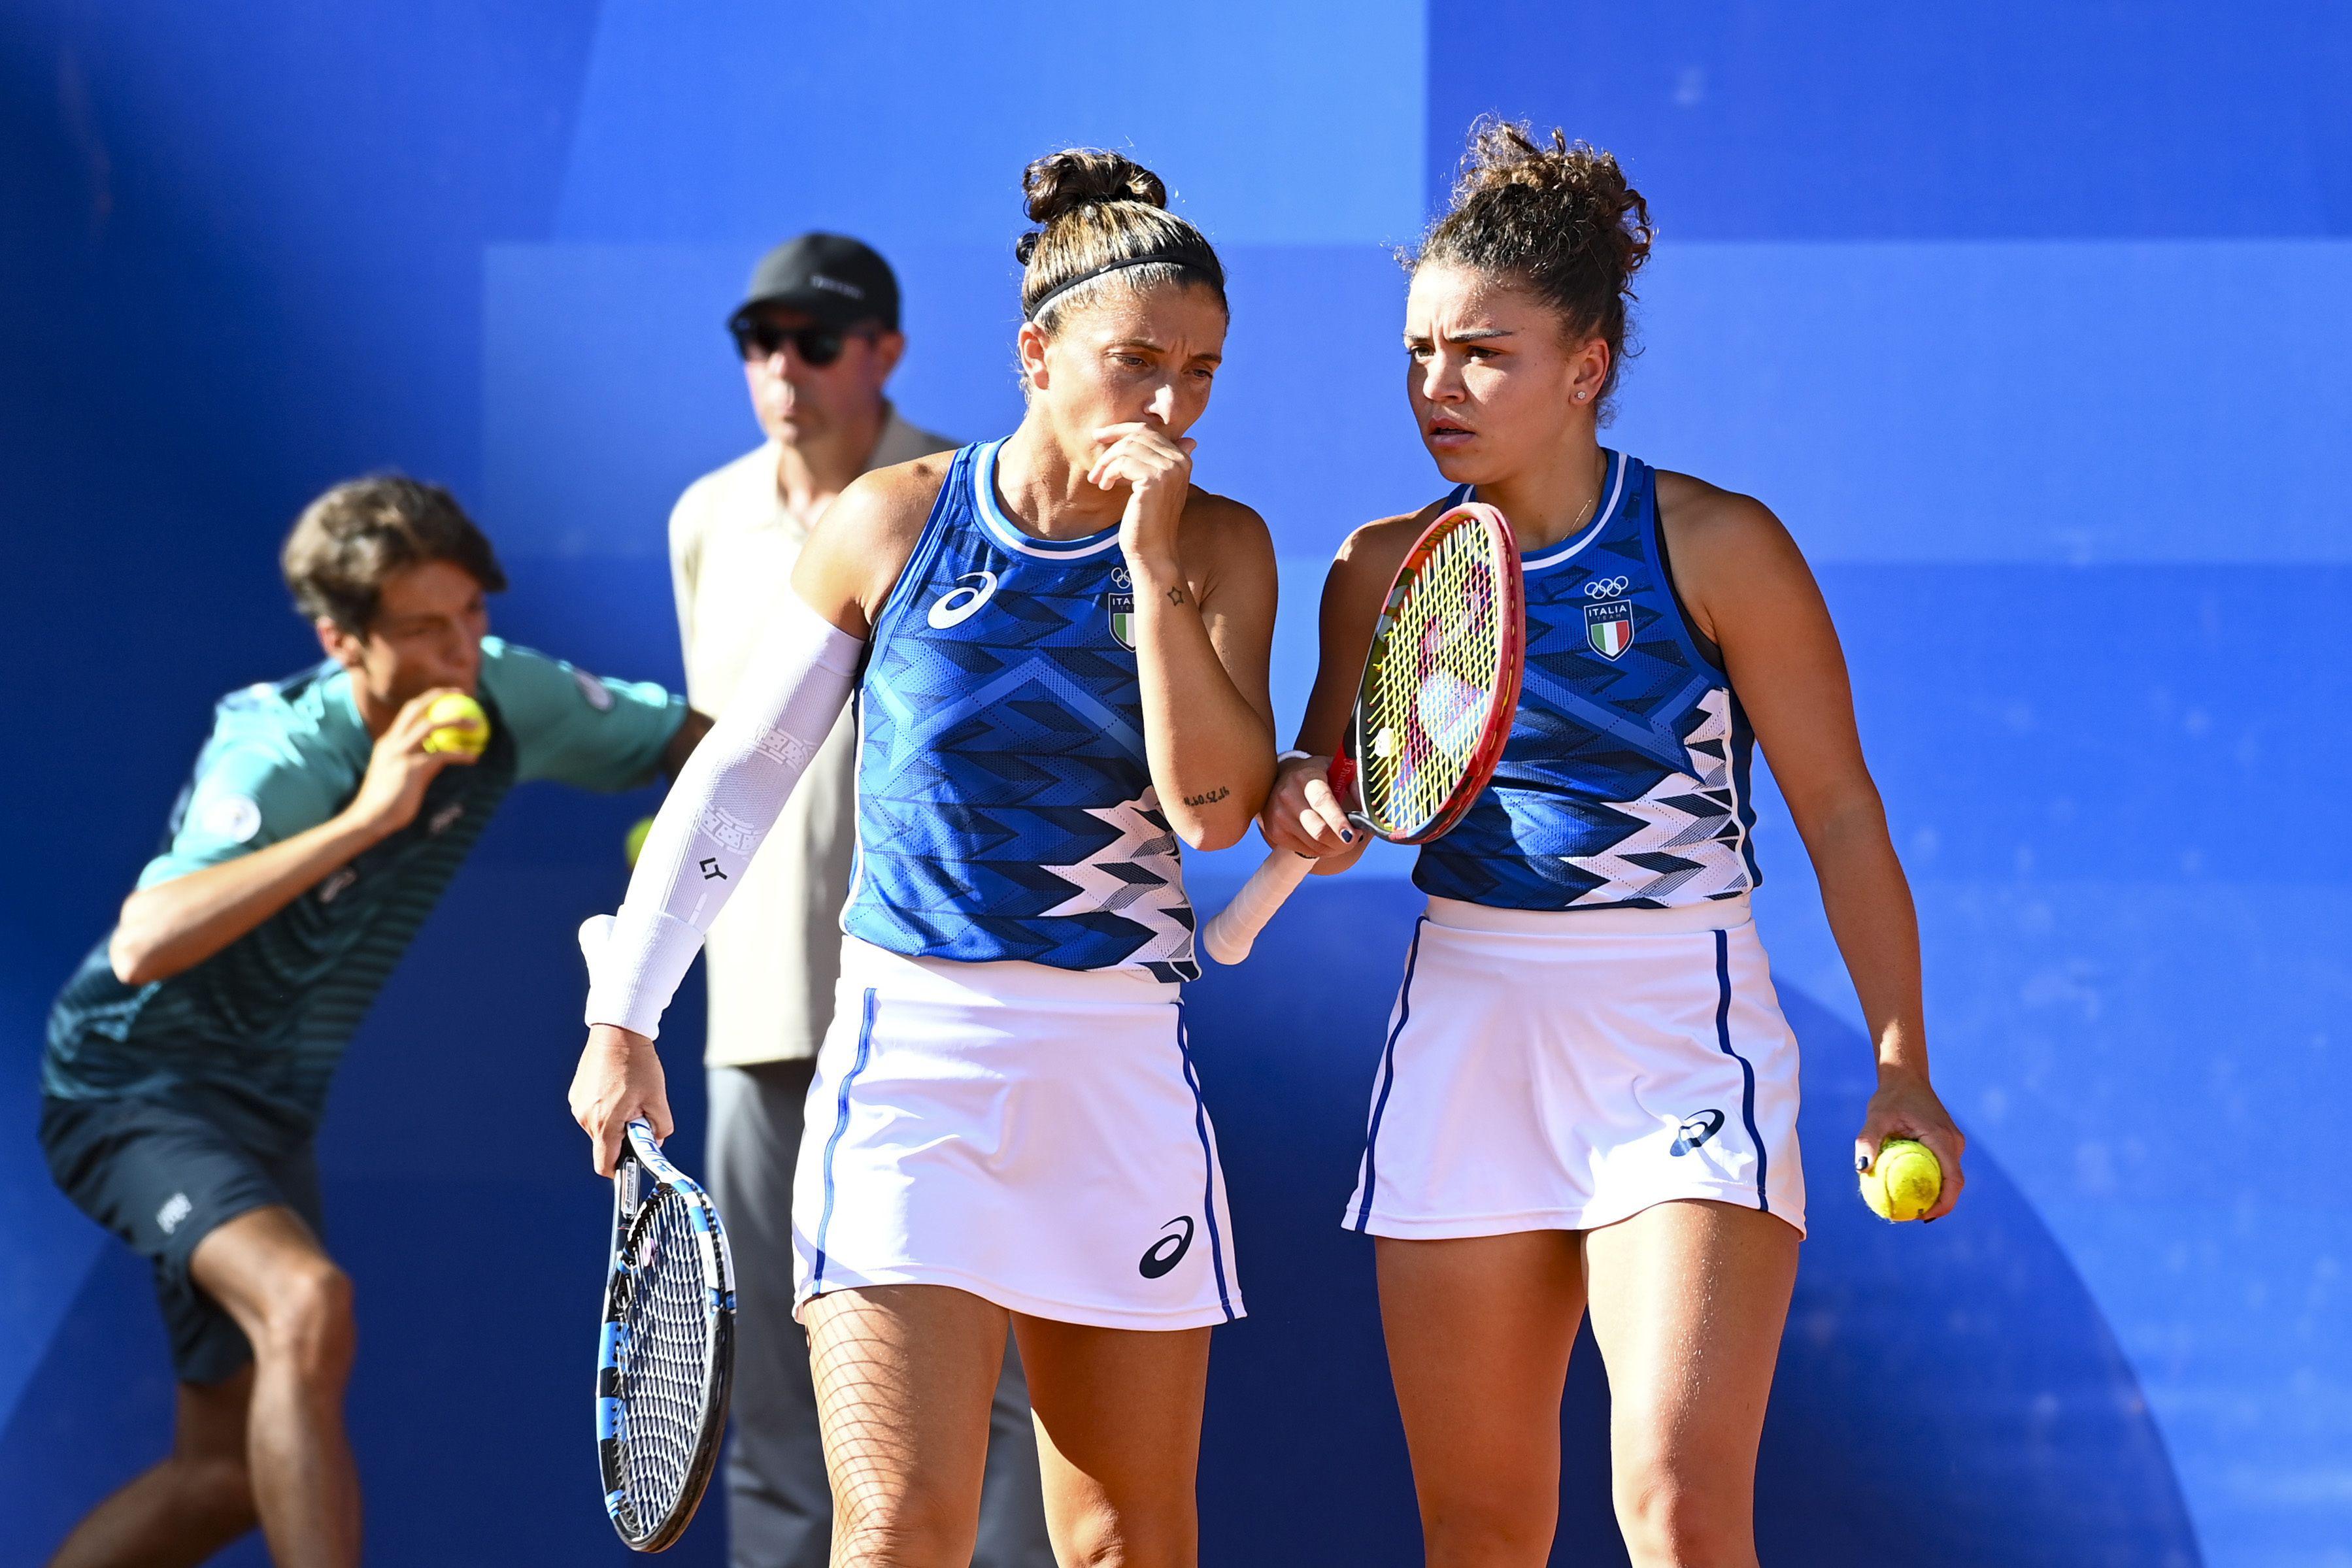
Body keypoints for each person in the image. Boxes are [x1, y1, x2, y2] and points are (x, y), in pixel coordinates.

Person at [1258, 122, 1968, 1567]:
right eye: (1415, 353)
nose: (1434, 388)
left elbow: (1837, 814)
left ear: (1583, 367)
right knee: (1478, 1532)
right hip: (1468, 1023)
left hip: (1675, 1027)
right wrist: (1303, 810)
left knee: (1677, 1506)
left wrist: (1899, 1063)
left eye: (1481, 354)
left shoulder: (1716, 544)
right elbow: (1340, 796)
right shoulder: (1375, 566)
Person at [570, 148, 1277, 1568]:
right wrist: (623, 1014)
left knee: (1127, 1543)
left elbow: (1208, 811)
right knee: (895, 1530)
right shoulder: (892, 519)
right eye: (1134, 361)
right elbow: (741, 779)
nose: (1170, 402)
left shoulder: (1216, 546)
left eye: (1199, 371)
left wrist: (1144, 572)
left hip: (1118, 1076)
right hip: (913, 1070)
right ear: (1034, 353)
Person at [37, 476, 710, 1568]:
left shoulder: (503, 697)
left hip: (268, 1111)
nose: (460, 655)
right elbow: (142, 943)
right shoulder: (284, 755)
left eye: (472, 617)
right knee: (307, 1302)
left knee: (218, 1482)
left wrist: (706, 866)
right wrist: (368, 817)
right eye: (421, 630)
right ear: (342, 642)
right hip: (132, 1090)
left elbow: (708, 750)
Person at [669, 231, 1052, 1565]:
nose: (782, 369)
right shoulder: (705, 520)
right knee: (774, 1395)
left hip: (938, 1023)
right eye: (759, 343)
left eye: (814, 341)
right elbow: (723, 763)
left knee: (983, 1389)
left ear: (883, 353)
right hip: (759, 1024)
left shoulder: (962, 501)